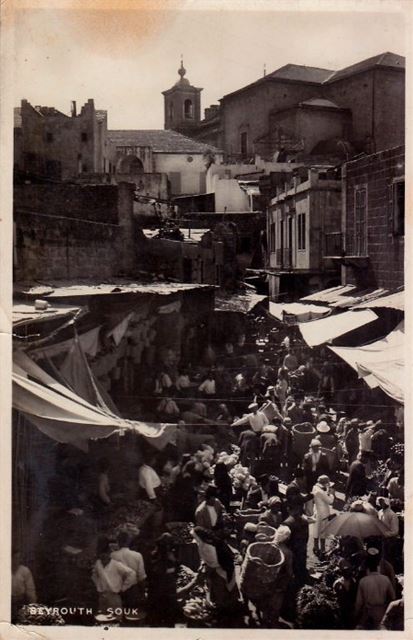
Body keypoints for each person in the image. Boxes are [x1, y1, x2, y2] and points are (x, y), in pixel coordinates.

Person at [192, 527, 241, 622]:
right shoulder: (206, 542)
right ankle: (226, 604)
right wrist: (204, 564)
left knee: (220, 588)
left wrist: (205, 570)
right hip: (219, 567)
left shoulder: (208, 546)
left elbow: (214, 562)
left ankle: (225, 611)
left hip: (222, 569)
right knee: (222, 587)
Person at [92, 536, 136, 618]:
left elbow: (131, 573)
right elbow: (94, 575)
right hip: (102, 595)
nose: (103, 557)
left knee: (116, 618)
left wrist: (124, 587)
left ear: (109, 554)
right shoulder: (98, 563)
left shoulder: (116, 564)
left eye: (105, 554)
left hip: (113, 595)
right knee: (102, 618)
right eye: (101, 554)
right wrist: (97, 584)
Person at [355, 553, 395, 629]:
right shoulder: (386, 579)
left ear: (367, 569)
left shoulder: (363, 581)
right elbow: (392, 597)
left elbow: (359, 603)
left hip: (368, 614)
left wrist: (356, 615)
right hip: (383, 612)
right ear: (378, 567)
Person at [146, 533, 179, 626]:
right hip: (166, 591)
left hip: (157, 591)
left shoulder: (154, 556)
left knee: (156, 618)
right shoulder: (166, 557)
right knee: (167, 618)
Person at [111, 532, 147, 608]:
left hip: (117, 589)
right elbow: (141, 577)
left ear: (118, 541)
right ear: (129, 541)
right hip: (133, 590)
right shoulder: (137, 555)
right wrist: (142, 593)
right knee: (133, 613)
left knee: (118, 613)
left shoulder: (112, 555)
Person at [282, 503, 310, 587]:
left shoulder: (287, 522)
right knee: (301, 565)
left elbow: (286, 539)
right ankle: (302, 582)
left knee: (293, 567)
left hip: (293, 549)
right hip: (302, 547)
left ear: (288, 509)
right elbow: (307, 536)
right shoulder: (305, 521)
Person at [312, 475, 334, 557]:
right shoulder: (320, 492)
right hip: (323, 513)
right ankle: (322, 550)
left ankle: (315, 547)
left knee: (316, 530)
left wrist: (326, 491)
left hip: (317, 512)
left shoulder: (315, 488)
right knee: (323, 532)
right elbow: (330, 501)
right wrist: (331, 494)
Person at [11, 549, 37, 621]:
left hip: (21, 602)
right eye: (14, 558)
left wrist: (33, 606)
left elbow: (30, 590)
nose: (17, 560)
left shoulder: (25, 571)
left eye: (18, 558)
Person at [333, 559, 358, 629]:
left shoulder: (354, 582)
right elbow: (335, 598)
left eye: (348, 570)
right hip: (341, 611)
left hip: (351, 612)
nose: (347, 572)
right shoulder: (337, 583)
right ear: (341, 571)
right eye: (345, 570)